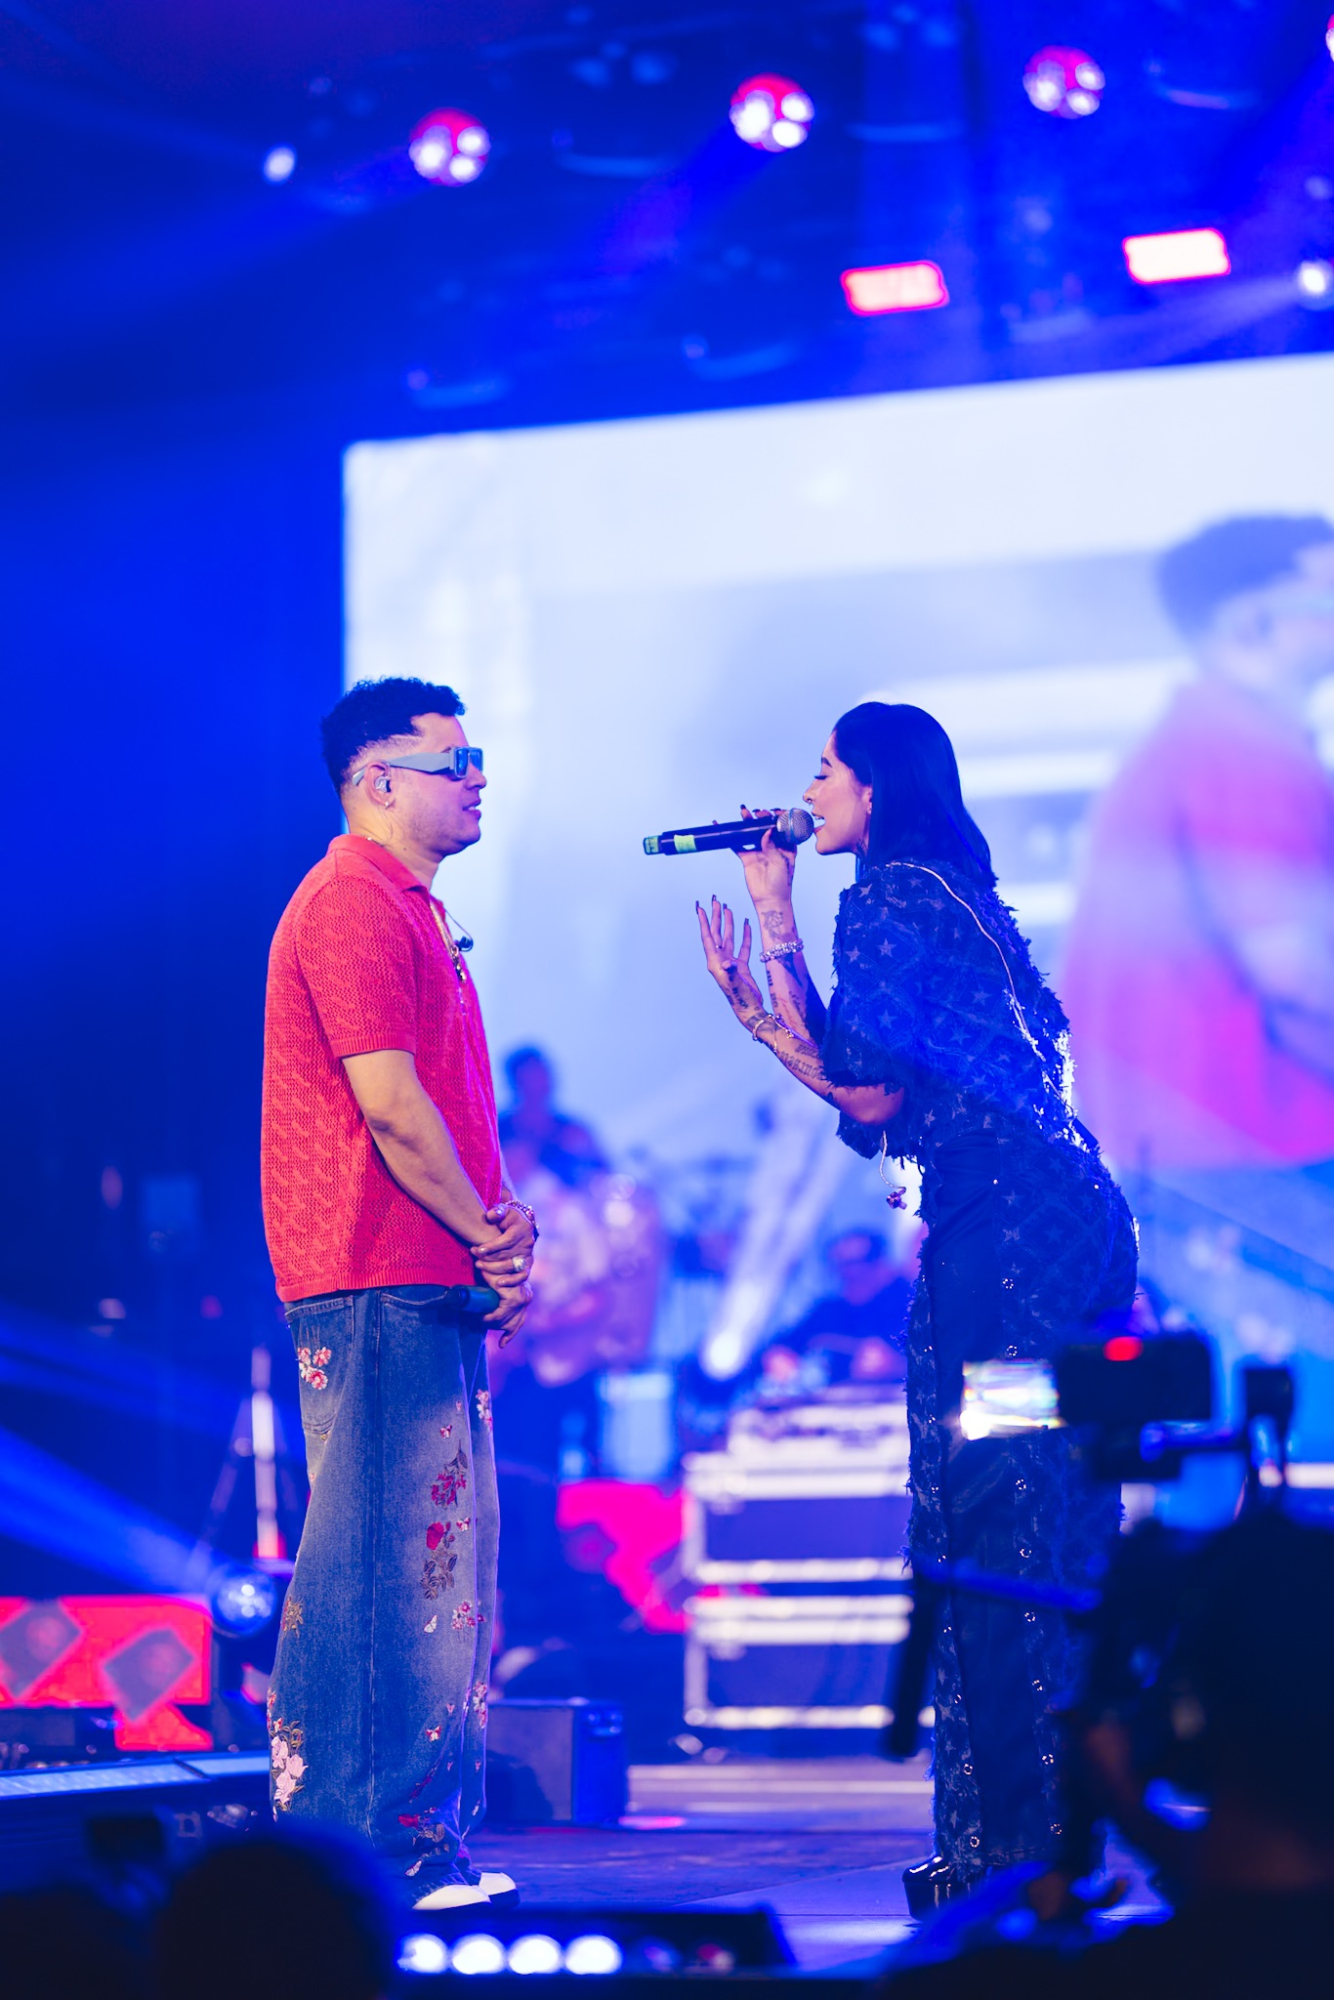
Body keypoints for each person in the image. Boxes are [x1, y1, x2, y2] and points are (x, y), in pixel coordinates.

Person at [696, 703, 1135, 1909]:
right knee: (1052, 1512)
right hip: (1069, 1223)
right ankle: (1053, 1831)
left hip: (1000, 1242)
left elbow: (869, 1089)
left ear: (876, 786)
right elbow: (888, 1078)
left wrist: (766, 990)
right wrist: (779, 929)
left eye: (826, 768)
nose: (810, 786)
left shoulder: (886, 899)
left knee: (985, 1524)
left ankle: (1009, 1856)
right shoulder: (955, 894)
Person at [260, 676, 536, 1909]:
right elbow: (386, 1105)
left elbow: (445, 1105)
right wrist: (487, 1237)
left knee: (432, 1565)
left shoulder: (413, 911)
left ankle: (406, 1845)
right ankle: (352, 1858)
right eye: (453, 756)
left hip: (422, 1272)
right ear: (379, 780)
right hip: (375, 1273)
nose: (477, 774)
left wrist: (497, 1224)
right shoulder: (353, 904)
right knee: (382, 1566)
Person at [1062, 516, 1334, 1382]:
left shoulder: (1193, 745)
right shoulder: (1244, 752)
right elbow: (1303, 979)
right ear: (1251, 622)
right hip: (1263, 1170)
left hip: (1198, 1170)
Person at [879, 1510, 1334, 1999]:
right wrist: (1145, 1825)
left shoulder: (1109, 1980)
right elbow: (1266, 1906)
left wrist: (998, 1898)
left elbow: (906, 1985)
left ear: (1186, 1724)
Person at [759, 1226, 912, 1393]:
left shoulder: (914, 1306)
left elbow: (938, 1365)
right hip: (841, 1406)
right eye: (839, 1267)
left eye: (854, 1266)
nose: (846, 1275)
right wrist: (779, 1356)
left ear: (880, 1265)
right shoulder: (832, 1310)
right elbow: (787, 1344)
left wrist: (897, 1366)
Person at [498, 1045, 607, 1190]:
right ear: (516, 1083)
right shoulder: (499, 1133)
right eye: (531, 1078)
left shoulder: (573, 1131)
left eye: (542, 1075)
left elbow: (604, 1179)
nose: (539, 1083)